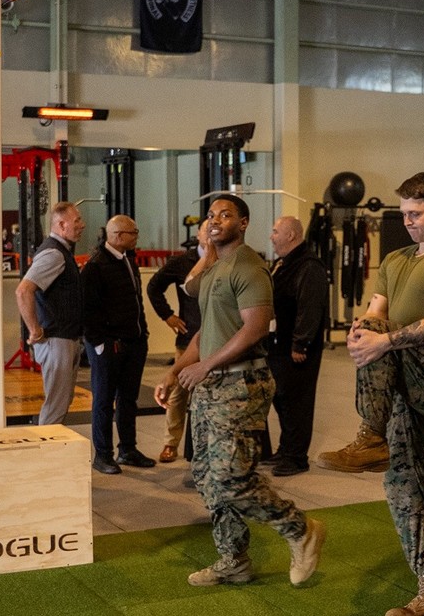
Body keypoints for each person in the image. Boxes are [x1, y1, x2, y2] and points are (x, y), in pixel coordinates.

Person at [154, 195, 325, 588]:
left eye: (225, 215)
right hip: (210, 387)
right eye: (211, 215)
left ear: (244, 222)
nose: (215, 220)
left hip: (240, 385)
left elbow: (256, 327)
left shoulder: (249, 266)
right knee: (206, 476)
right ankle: (234, 560)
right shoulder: (216, 267)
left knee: (232, 477)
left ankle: (300, 529)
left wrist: (206, 365)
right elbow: (205, 332)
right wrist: (176, 371)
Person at [332, 172, 424, 615]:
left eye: (416, 213)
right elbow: (375, 312)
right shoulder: (396, 259)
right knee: (400, 481)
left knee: (379, 333)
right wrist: (360, 335)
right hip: (406, 380)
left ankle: (369, 436)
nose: (408, 222)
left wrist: (380, 339)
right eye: (404, 214)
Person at [82, 215, 155, 474]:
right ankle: (103, 455)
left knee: (128, 399)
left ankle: (128, 449)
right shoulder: (96, 266)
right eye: (134, 232)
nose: (137, 237)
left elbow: (136, 303)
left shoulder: (128, 261)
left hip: (134, 342)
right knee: (103, 400)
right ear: (118, 235)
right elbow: (87, 309)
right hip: (109, 346)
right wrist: (100, 343)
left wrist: (143, 334)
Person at [258, 215, 329, 477]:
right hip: (278, 346)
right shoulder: (284, 263)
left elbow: (310, 308)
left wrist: (301, 343)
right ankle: (286, 450)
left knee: (297, 402)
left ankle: (297, 458)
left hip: (296, 349)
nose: (271, 237)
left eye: (275, 232)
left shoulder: (309, 266)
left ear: (290, 235)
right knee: (282, 399)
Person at [14, 202, 86, 425]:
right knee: (55, 408)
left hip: (65, 338)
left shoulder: (62, 252)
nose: (82, 225)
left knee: (61, 404)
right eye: (77, 221)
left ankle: (52, 445)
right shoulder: (54, 254)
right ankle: (45, 446)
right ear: (62, 225)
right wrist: (34, 330)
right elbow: (23, 290)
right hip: (57, 340)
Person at [147, 223, 208, 463]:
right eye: (205, 228)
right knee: (178, 392)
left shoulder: (225, 259)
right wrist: (167, 315)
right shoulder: (182, 262)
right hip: (188, 337)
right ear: (198, 234)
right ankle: (170, 443)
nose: (210, 232)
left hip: (217, 342)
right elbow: (154, 287)